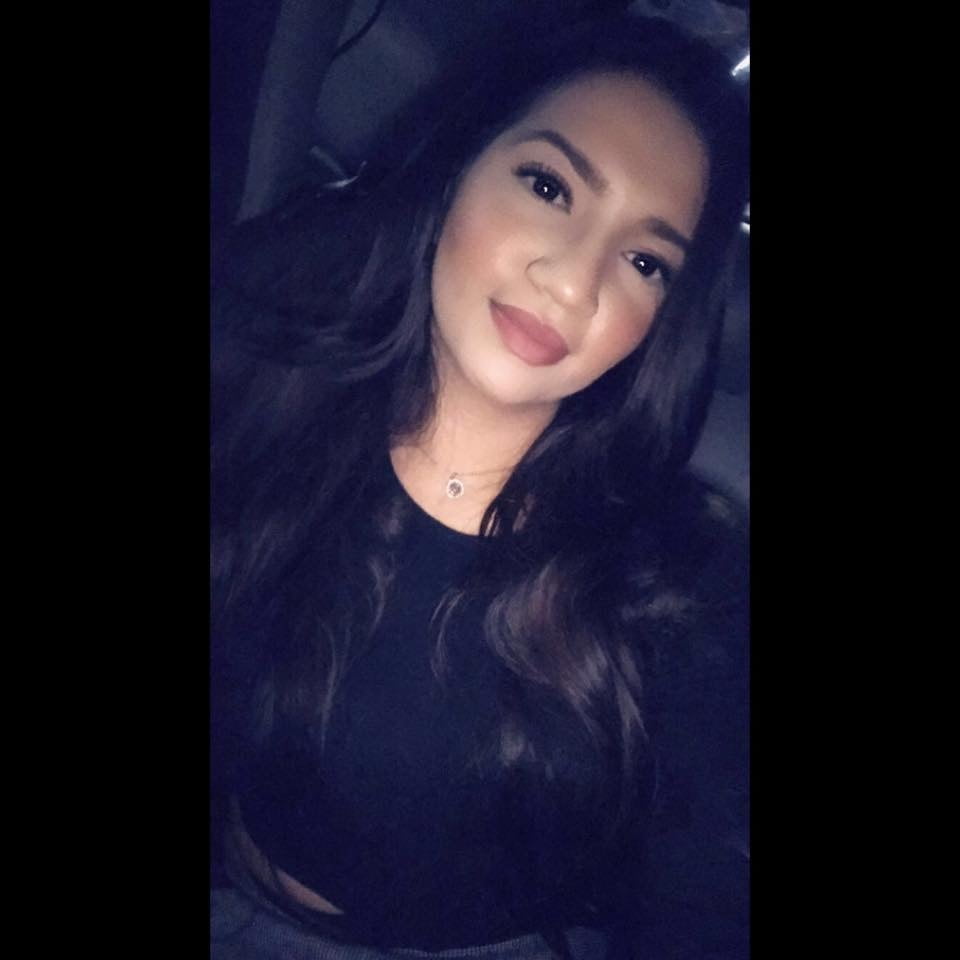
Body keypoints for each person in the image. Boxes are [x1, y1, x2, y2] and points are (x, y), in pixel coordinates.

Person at [210, 9, 749, 960]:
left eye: (645, 261)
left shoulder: (680, 587)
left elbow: (700, 896)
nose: (574, 283)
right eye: (548, 186)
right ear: (461, 160)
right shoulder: (268, 353)